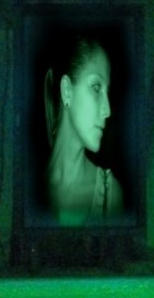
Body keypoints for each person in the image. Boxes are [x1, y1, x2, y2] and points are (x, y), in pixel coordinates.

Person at [44, 35, 122, 224]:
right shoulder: (25, 187)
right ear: (67, 91)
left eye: (107, 92)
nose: (107, 110)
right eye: (96, 87)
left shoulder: (110, 194)